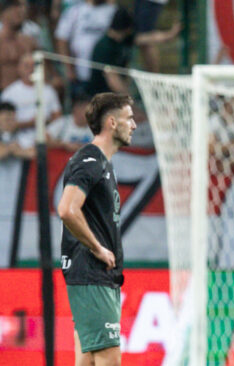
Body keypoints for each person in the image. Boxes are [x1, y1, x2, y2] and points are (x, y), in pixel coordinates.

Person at [56, 93, 136, 366]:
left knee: (88, 360)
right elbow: (67, 209)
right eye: (129, 118)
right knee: (108, 359)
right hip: (91, 274)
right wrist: (98, 247)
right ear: (112, 123)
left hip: (95, 277)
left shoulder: (102, 163)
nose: (134, 125)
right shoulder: (89, 160)